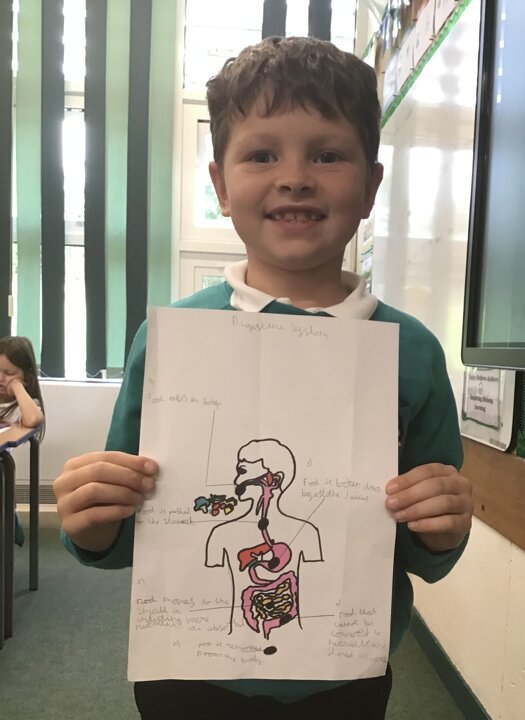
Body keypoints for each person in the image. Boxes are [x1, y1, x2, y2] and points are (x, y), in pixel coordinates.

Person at [53, 36, 473, 720]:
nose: (295, 177)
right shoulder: (170, 340)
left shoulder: (412, 352)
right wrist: (91, 520)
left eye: (327, 155)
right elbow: (129, 533)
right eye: (261, 155)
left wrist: (442, 525)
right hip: (186, 677)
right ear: (220, 186)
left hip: (343, 679)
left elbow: (426, 553)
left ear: (370, 187)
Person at [0, 335, 45, 546]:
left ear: (26, 376)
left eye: (9, 373)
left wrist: (17, 387)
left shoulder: (23, 406)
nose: (1, 378)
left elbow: (34, 419)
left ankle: (9, 517)